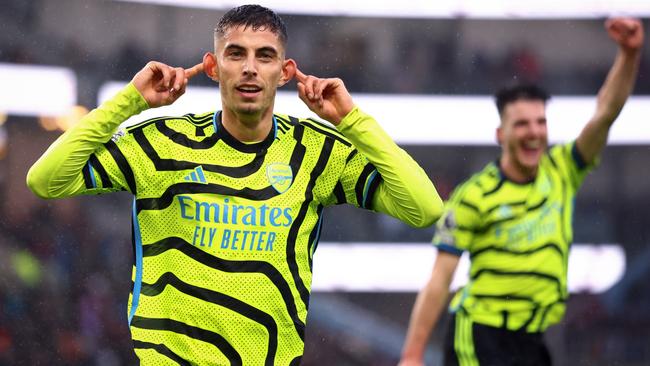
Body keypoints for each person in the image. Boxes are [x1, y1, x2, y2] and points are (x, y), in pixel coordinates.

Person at [27, 4, 443, 365]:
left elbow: (424, 209)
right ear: (213, 66)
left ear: (284, 72)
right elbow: (45, 180)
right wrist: (129, 100)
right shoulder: (162, 143)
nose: (249, 67)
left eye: (265, 56)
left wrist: (352, 121)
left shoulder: (316, 152)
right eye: (236, 54)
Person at [400, 17, 644, 366]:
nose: (534, 132)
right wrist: (412, 354)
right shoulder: (474, 195)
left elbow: (605, 113)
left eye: (540, 122)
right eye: (522, 124)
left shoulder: (563, 170)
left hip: (532, 341)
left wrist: (629, 54)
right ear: (502, 135)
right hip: (480, 336)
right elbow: (440, 279)